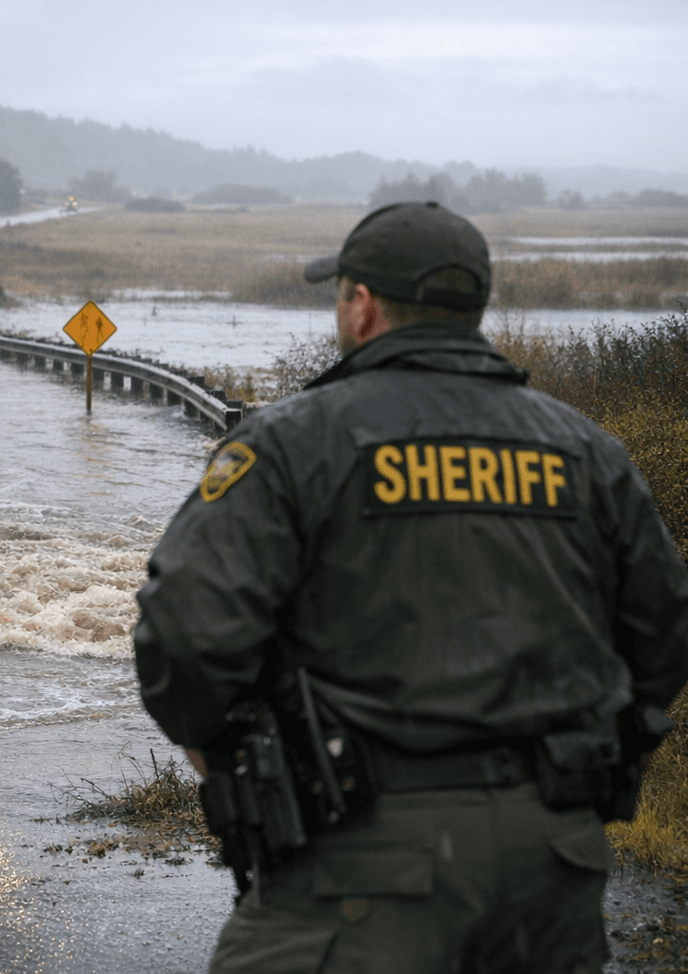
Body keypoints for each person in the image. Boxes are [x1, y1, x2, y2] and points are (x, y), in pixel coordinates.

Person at [133, 201, 688, 973]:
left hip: (357, 856)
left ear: (362, 305)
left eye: (341, 296)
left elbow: (182, 633)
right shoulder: (586, 451)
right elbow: (664, 629)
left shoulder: (293, 442)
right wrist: (583, 760)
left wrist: (229, 758)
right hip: (551, 864)